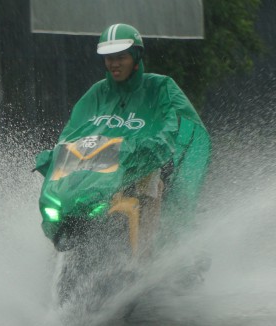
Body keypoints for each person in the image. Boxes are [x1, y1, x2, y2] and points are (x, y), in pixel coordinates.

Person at [48, 23, 211, 252]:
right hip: (106, 161)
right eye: (108, 58)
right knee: (68, 196)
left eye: (121, 57)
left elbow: (170, 122)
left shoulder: (159, 86)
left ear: (136, 56)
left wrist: (156, 145)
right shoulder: (97, 92)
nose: (114, 63)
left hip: (150, 159)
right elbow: (73, 130)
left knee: (151, 184)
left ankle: (144, 255)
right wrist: (55, 153)